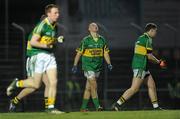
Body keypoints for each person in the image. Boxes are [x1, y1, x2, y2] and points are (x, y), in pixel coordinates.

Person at [7, 4, 63, 114]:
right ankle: (17, 86)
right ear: (48, 15)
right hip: (36, 56)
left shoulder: (54, 26)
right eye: (55, 13)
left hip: (48, 56)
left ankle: (50, 107)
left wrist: (56, 40)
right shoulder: (41, 26)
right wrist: (49, 45)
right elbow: (34, 42)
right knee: (35, 85)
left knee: (52, 82)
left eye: (58, 12)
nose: (58, 15)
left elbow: (49, 42)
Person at [113, 23, 166, 111]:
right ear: (151, 30)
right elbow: (149, 56)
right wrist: (159, 62)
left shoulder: (141, 38)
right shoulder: (147, 40)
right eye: (155, 31)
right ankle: (117, 105)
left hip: (142, 66)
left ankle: (156, 107)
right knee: (134, 88)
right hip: (140, 66)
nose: (156, 33)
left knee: (151, 85)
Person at [72, 22, 113, 111]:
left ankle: (83, 108)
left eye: (96, 25)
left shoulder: (102, 39)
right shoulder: (85, 40)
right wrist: (75, 64)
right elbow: (79, 53)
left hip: (97, 66)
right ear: (89, 29)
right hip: (88, 66)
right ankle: (98, 106)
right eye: (93, 26)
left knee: (88, 88)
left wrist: (109, 63)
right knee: (94, 85)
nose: (95, 26)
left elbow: (105, 53)